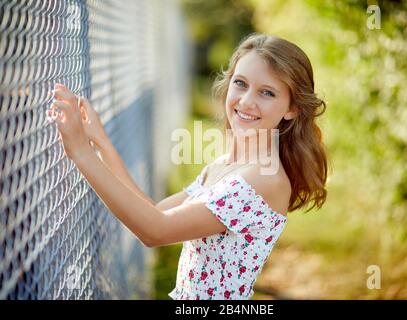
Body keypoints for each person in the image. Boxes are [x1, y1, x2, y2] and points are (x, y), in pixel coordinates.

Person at [46, 32, 328, 300]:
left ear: (292, 108)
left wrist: (82, 153)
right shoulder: (224, 165)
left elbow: (155, 231)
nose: (246, 101)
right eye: (240, 83)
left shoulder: (265, 180)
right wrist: (101, 144)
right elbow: (155, 214)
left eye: (267, 93)